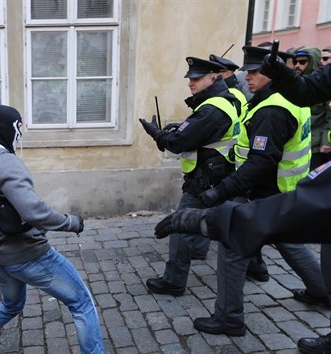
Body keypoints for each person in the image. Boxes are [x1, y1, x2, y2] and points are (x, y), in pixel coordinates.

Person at [165, 45, 325, 337]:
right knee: (290, 242)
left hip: (264, 191)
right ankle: (322, 291)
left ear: (272, 74)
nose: (248, 77)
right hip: (285, 189)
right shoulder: (287, 100)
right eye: (248, 71)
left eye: (255, 72)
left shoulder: (272, 110)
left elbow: (261, 162)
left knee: (231, 246)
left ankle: (229, 318)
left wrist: (222, 191)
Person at [0, 104, 104, 354]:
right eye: (18, 127)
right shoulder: (6, 163)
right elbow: (34, 212)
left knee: (10, 305)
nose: (20, 133)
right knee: (82, 303)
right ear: (6, 129)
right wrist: (71, 223)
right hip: (29, 255)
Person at [138, 57, 240, 296]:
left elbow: (178, 142)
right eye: (190, 79)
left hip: (204, 180)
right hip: (219, 176)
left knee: (180, 227)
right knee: (222, 226)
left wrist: (158, 134)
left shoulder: (212, 108)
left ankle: (174, 281)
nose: (190, 84)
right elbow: (200, 133)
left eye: (196, 79)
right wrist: (179, 128)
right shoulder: (226, 100)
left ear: (213, 78)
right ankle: (250, 265)